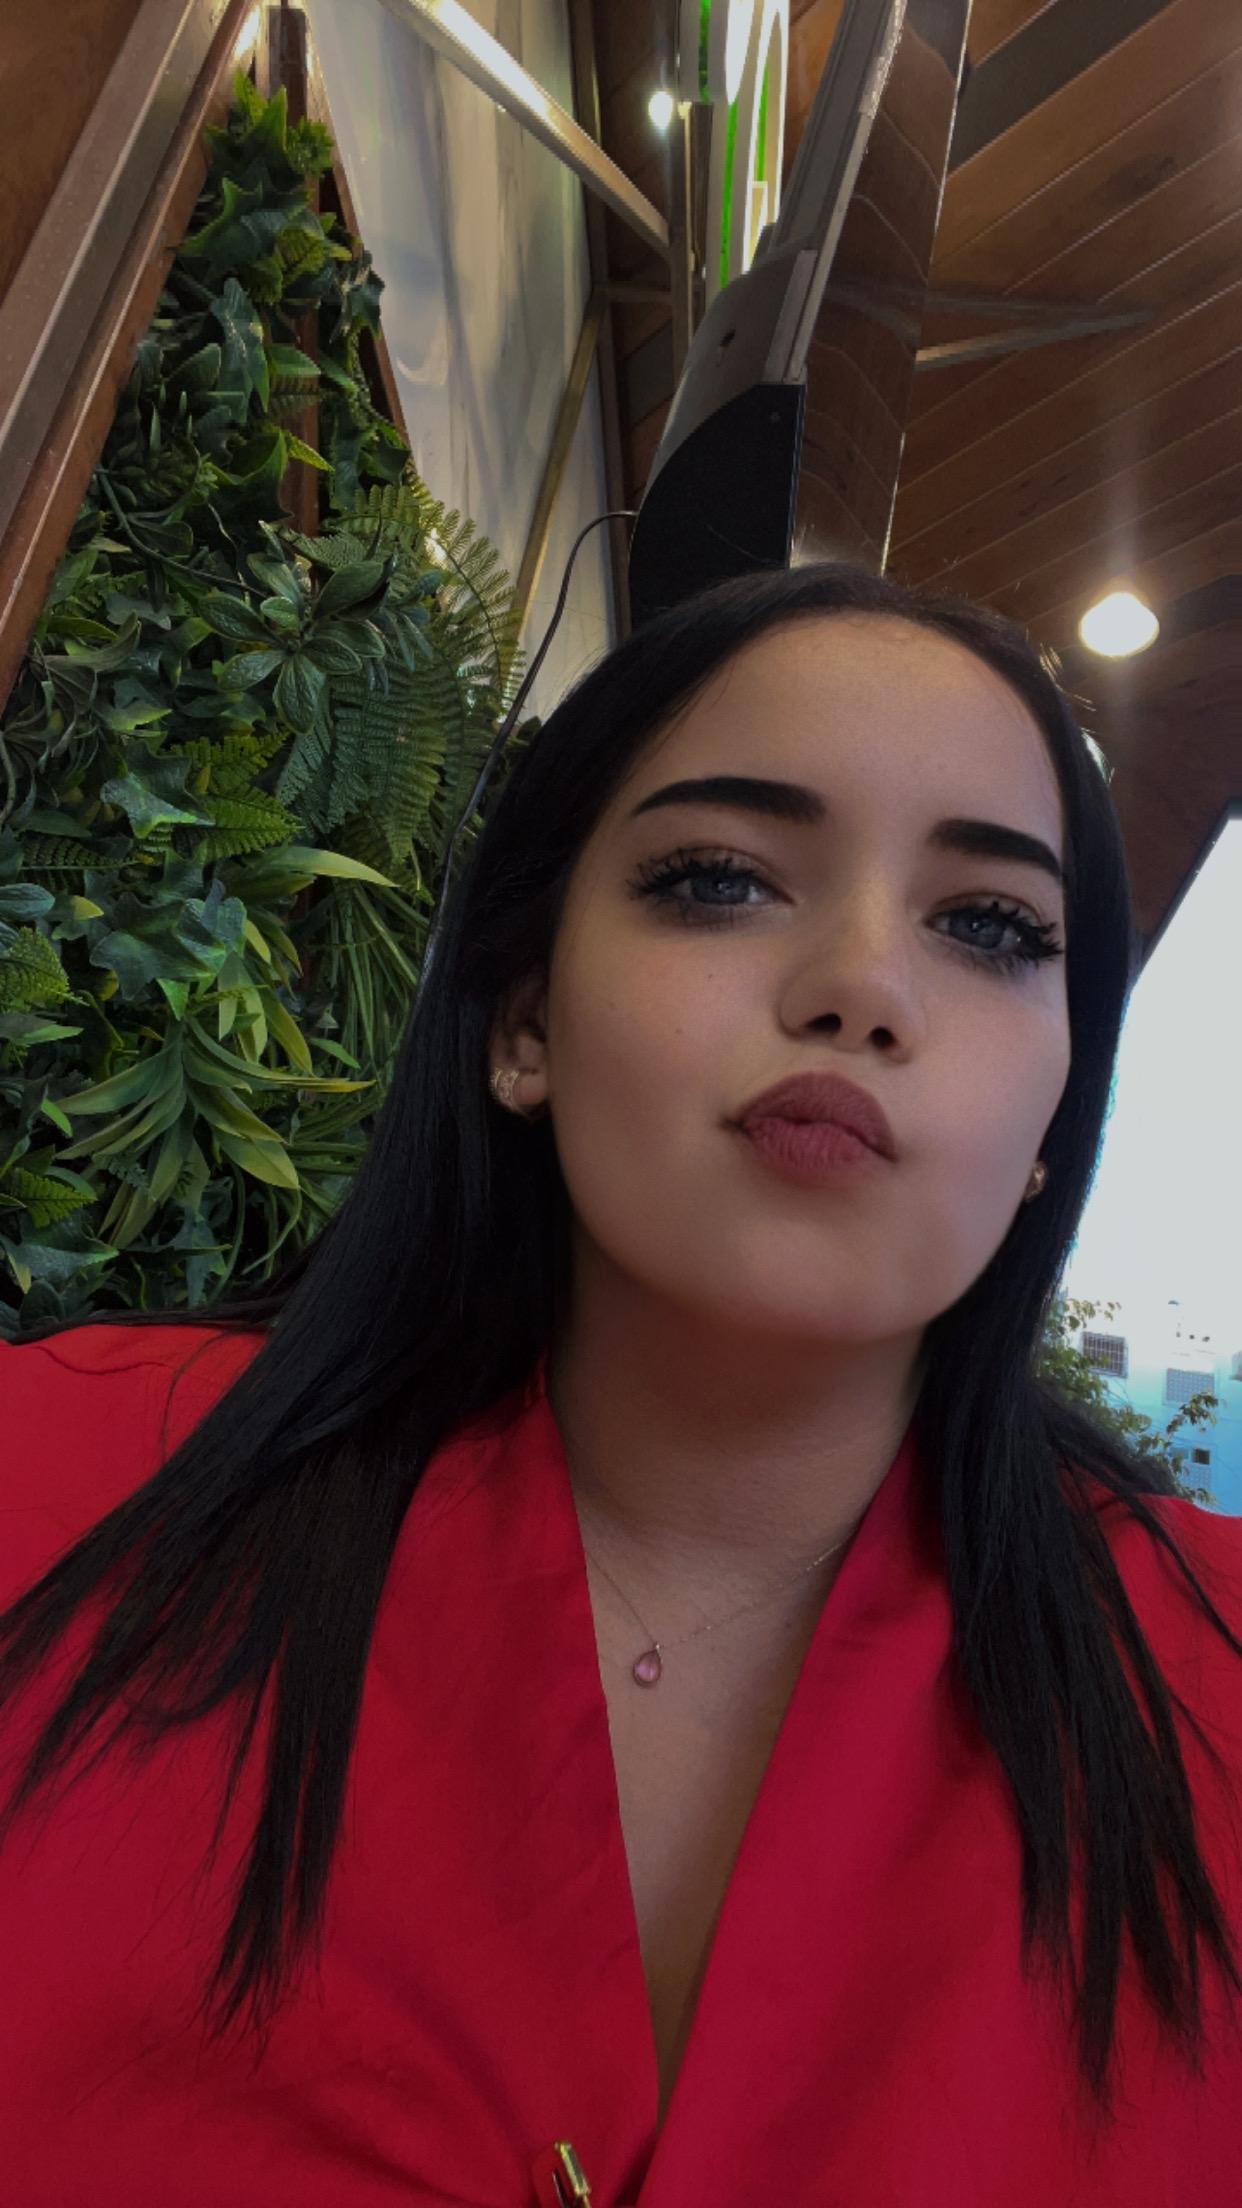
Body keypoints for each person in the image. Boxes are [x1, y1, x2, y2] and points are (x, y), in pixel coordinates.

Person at [1, 562, 1241, 2208]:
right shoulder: (47, 1485)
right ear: (524, 1019)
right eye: (719, 879)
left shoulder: (1214, 1693)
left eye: (990, 928)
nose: (862, 985)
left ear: (1049, 1124)